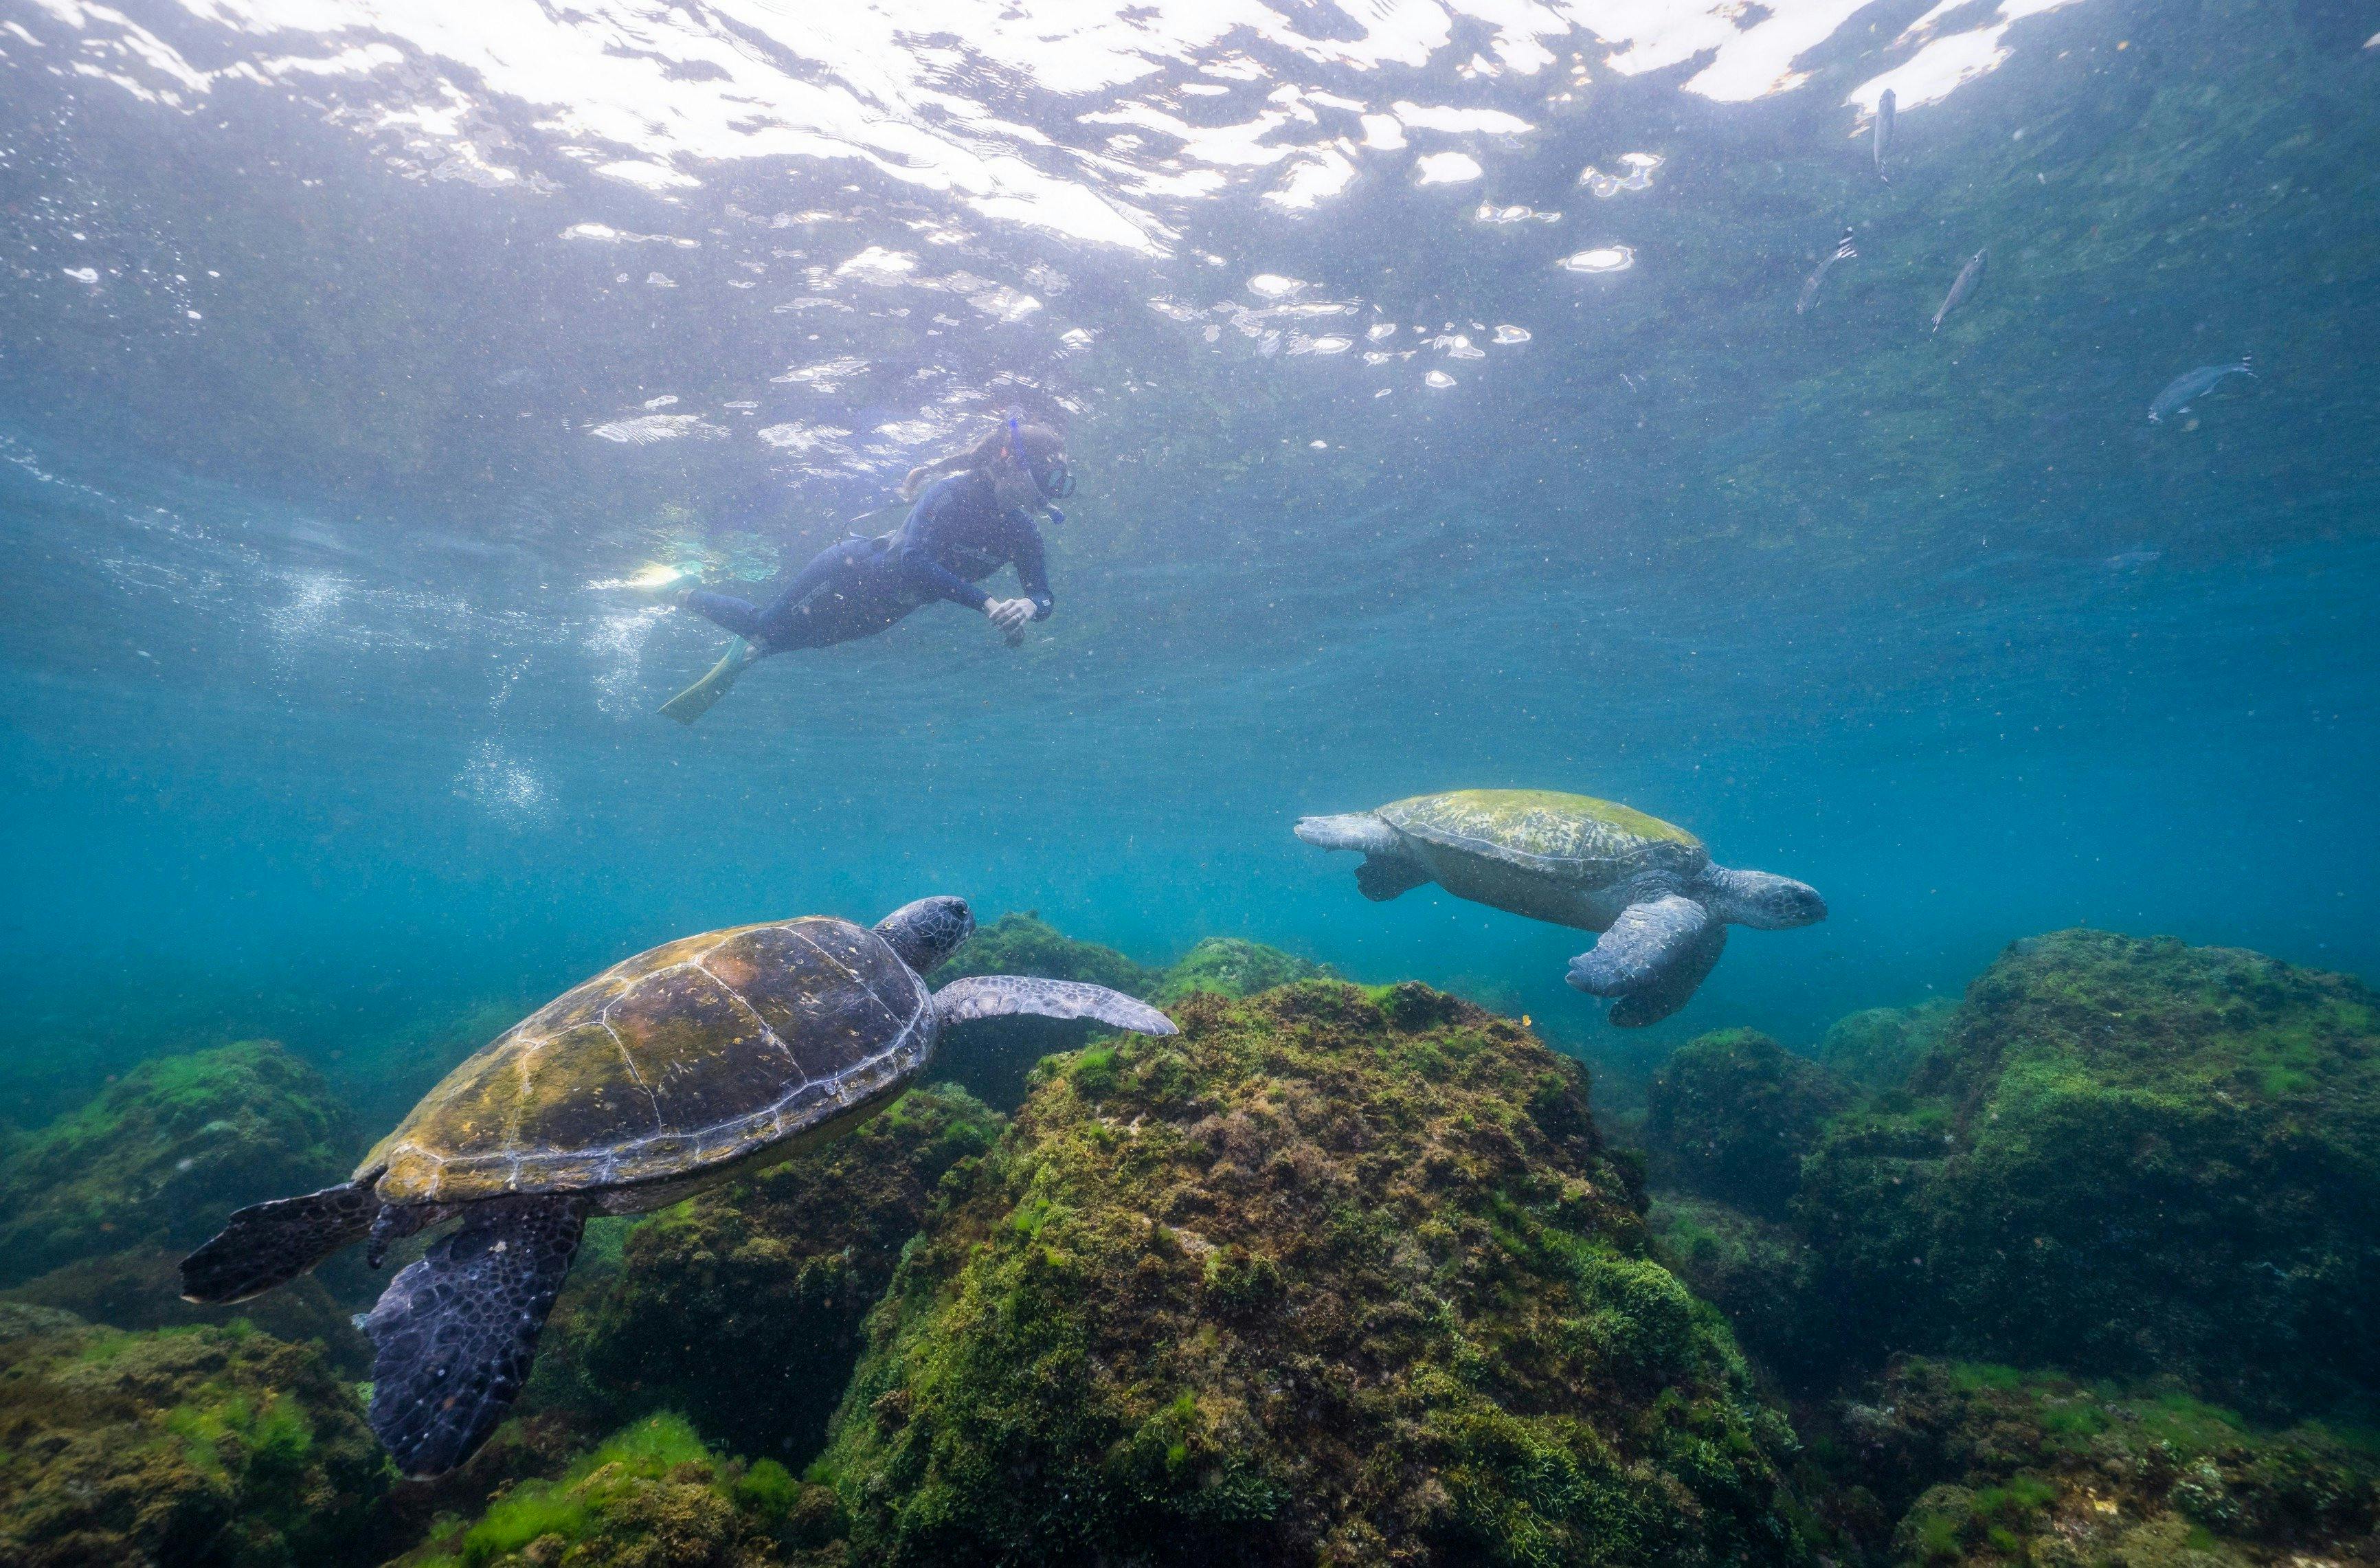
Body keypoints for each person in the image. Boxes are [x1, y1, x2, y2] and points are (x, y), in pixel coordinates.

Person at [644, 414, 1075, 723]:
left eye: (1056, 482)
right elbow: (914, 562)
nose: (1045, 493)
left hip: (889, 610)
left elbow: (1044, 595)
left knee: (793, 642)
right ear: (1007, 459)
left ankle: (755, 650)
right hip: (847, 574)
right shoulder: (951, 493)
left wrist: (1026, 608)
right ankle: (679, 592)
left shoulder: (1023, 533)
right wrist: (987, 603)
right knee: (766, 629)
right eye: (1042, 475)